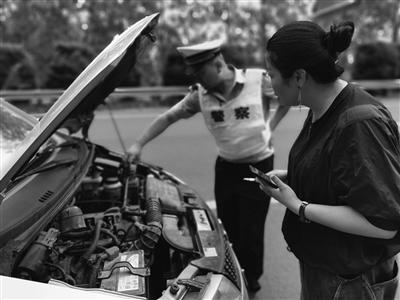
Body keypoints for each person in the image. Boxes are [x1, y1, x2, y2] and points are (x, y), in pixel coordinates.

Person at [127, 39, 290, 292]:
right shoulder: (198, 96)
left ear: (219, 63)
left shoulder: (258, 81)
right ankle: (231, 274)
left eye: (202, 73)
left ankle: (251, 281)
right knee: (226, 226)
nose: (199, 80)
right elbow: (169, 116)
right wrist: (138, 144)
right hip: (226, 167)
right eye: (196, 75)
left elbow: (287, 97)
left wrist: (272, 125)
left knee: (251, 229)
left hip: (259, 166)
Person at [257, 20, 400, 299]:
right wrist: (296, 176)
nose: (268, 83)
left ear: (299, 77)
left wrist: (298, 206)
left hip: (350, 281)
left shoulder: (358, 123)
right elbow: (340, 173)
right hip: (330, 270)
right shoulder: (324, 106)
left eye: (271, 74)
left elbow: (383, 223)